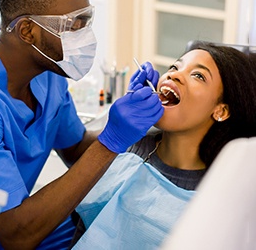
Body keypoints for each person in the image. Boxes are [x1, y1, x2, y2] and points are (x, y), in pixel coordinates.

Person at [0, 0, 164, 249]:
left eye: (86, 21)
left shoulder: (47, 74)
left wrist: (136, 121)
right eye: (72, 25)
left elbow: (75, 148)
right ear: (28, 31)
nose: (85, 36)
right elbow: (17, 235)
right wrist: (111, 140)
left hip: (24, 224)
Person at [71, 41, 256, 249]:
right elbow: (84, 228)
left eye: (198, 75)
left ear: (221, 110)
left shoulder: (220, 190)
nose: (174, 75)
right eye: (175, 67)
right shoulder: (131, 144)